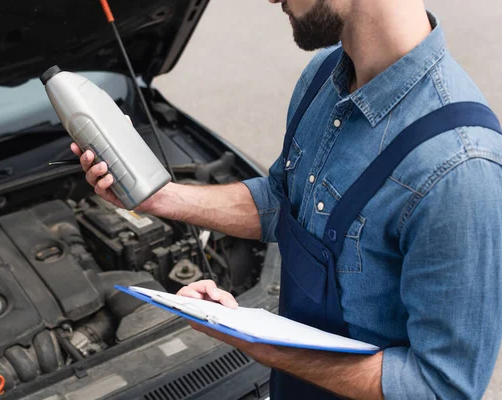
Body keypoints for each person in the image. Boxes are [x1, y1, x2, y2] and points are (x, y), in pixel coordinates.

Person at [71, 0, 502, 398]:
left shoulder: (460, 168)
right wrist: (161, 199)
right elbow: (284, 199)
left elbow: (441, 387)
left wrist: (260, 343)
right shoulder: (323, 78)